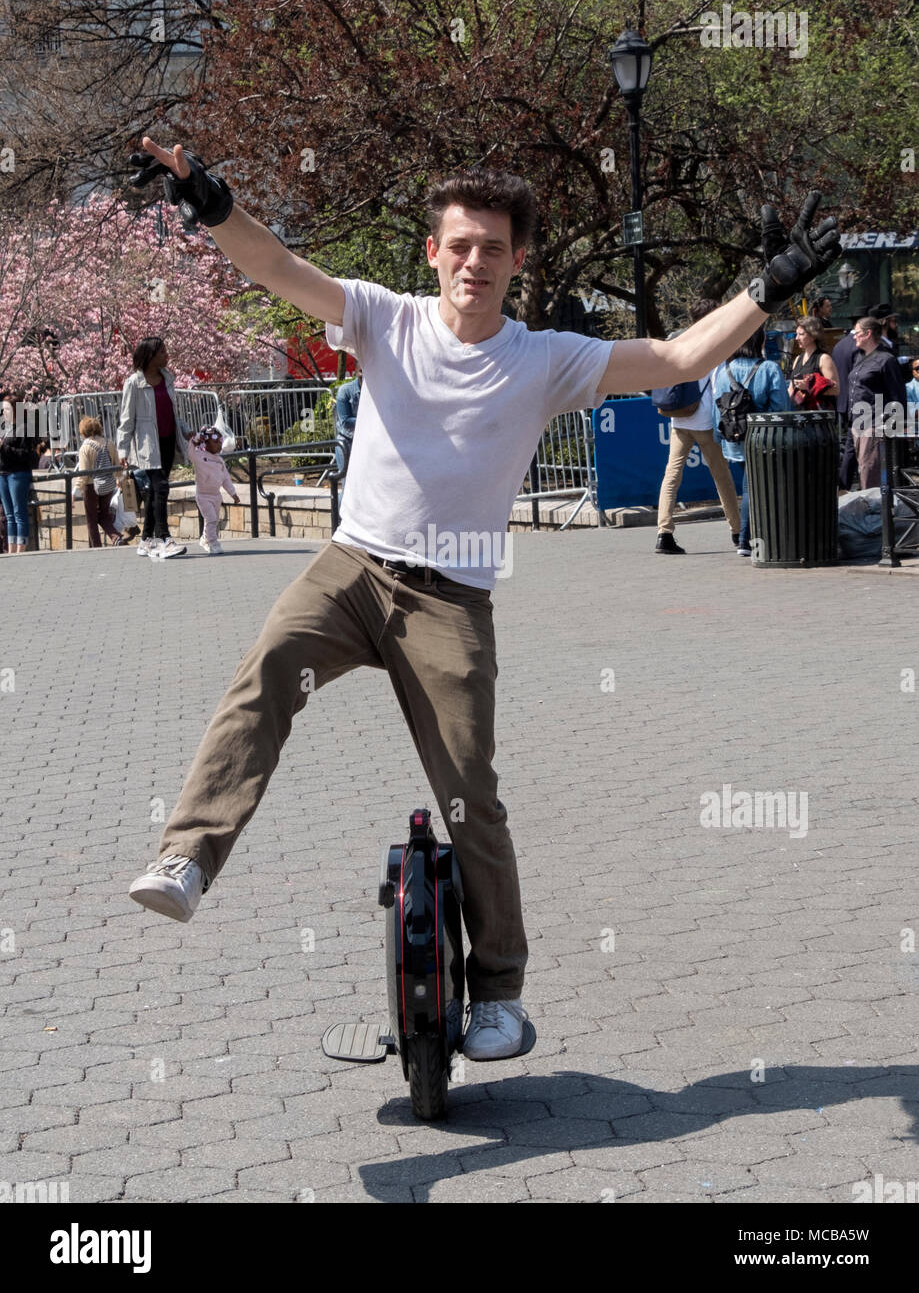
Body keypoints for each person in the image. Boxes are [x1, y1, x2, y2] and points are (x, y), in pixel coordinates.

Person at [125, 139, 839, 1059]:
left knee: (471, 796)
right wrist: (205, 195)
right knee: (263, 669)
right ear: (432, 254)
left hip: (452, 600)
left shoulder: (543, 359)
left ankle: (498, 990)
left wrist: (765, 288)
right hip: (352, 569)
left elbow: (666, 359)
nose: (474, 262)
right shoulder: (382, 318)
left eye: (492, 248)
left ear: (517, 259)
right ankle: (187, 855)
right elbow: (274, 265)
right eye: (458, 245)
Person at [655, 298, 742, 554]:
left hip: (679, 418)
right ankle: (738, 530)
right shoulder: (713, 346)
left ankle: (664, 532)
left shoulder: (679, 340)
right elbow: (718, 386)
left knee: (671, 476)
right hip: (704, 420)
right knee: (721, 477)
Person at [712, 326, 788, 558]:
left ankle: (750, 539)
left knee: (751, 485)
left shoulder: (724, 371)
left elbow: (718, 413)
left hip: (734, 439)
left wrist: (721, 439)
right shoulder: (770, 369)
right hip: (764, 439)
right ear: (762, 341)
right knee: (752, 488)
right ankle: (746, 540)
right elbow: (781, 408)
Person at [116, 337, 191, 560]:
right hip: (147, 444)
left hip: (168, 441)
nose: (166, 356)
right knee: (161, 487)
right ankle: (164, 538)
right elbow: (127, 419)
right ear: (149, 356)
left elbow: (174, 412)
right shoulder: (133, 383)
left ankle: (146, 539)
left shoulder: (167, 379)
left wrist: (187, 431)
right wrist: (122, 450)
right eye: (162, 353)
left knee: (155, 491)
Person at [844, 316, 906, 490]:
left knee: (869, 471)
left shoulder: (886, 359)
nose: (854, 336)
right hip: (857, 422)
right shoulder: (859, 357)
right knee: (864, 469)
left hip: (875, 423)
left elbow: (897, 395)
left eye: (857, 333)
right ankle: (871, 509)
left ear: (867, 334)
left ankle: (876, 513)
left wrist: (893, 428)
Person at [74, 415, 130, 547]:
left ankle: (96, 548)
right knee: (104, 516)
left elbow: (83, 473)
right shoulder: (109, 443)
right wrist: (120, 479)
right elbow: (117, 466)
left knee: (91, 521)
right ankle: (116, 538)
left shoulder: (85, 448)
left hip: (91, 486)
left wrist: (75, 492)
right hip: (109, 484)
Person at [187, 425, 240, 554]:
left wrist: (233, 493)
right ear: (206, 443)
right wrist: (195, 439)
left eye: (220, 442)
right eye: (215, 442)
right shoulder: (200, 456)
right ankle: (213, 542)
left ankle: (205, 538)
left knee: (212, 520)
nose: (219, 445)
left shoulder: (220, 461)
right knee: (211, 519)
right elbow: (190, 453)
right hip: (203, 496)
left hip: (216, 496)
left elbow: (226, 479)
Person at [0, 393, 38, 553]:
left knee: (18, 512)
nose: (4, 413)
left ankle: (20, 550)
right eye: (2, 409)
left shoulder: (24, 428)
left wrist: (3, 447)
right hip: (3, 473)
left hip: (18, 473)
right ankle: (11, 549)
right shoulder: (4, 428)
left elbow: (27, 455)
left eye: (7, 409)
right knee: (9, 515)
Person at [787, 316, 839, 410]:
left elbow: (836, 389)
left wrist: (809, 387)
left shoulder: (824, 359)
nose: (796, 338)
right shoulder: (798, 359)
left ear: (813, 336)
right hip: (800, 417)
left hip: (819, 418)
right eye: (796, 334)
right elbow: (791, 389)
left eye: (801, 334)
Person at [333, 365, 362, 497]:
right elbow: (345, 421)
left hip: (364, 442)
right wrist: (369, 419)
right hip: (346, 442)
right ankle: (338, 517)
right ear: (357, 372)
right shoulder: (345, 390)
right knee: (348, 486)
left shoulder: (375, 391)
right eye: (361, 371)